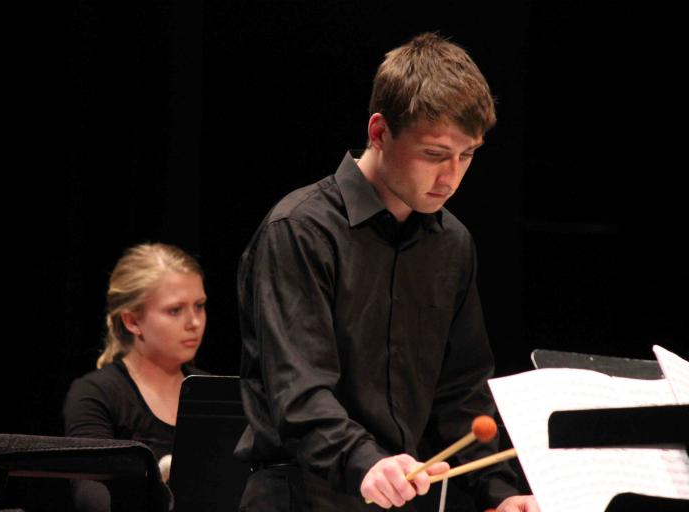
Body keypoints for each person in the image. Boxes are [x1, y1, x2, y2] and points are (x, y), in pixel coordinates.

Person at [235, 33, 538, 511]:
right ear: (379, 132)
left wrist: (500, 494)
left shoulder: (452, 243)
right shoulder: (300, 230)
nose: (451, 177)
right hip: (302, 494)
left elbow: (461, 394)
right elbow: (300, 392)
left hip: (396, 497)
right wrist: (365, 462)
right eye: (434, 154)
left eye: (467, 155)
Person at [63, 242, 208, 512]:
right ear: (132, 321)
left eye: (199, 306)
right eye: (175, 310)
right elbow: (91, 495)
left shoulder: (212, 391)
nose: (194, 322)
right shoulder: (96, 393)